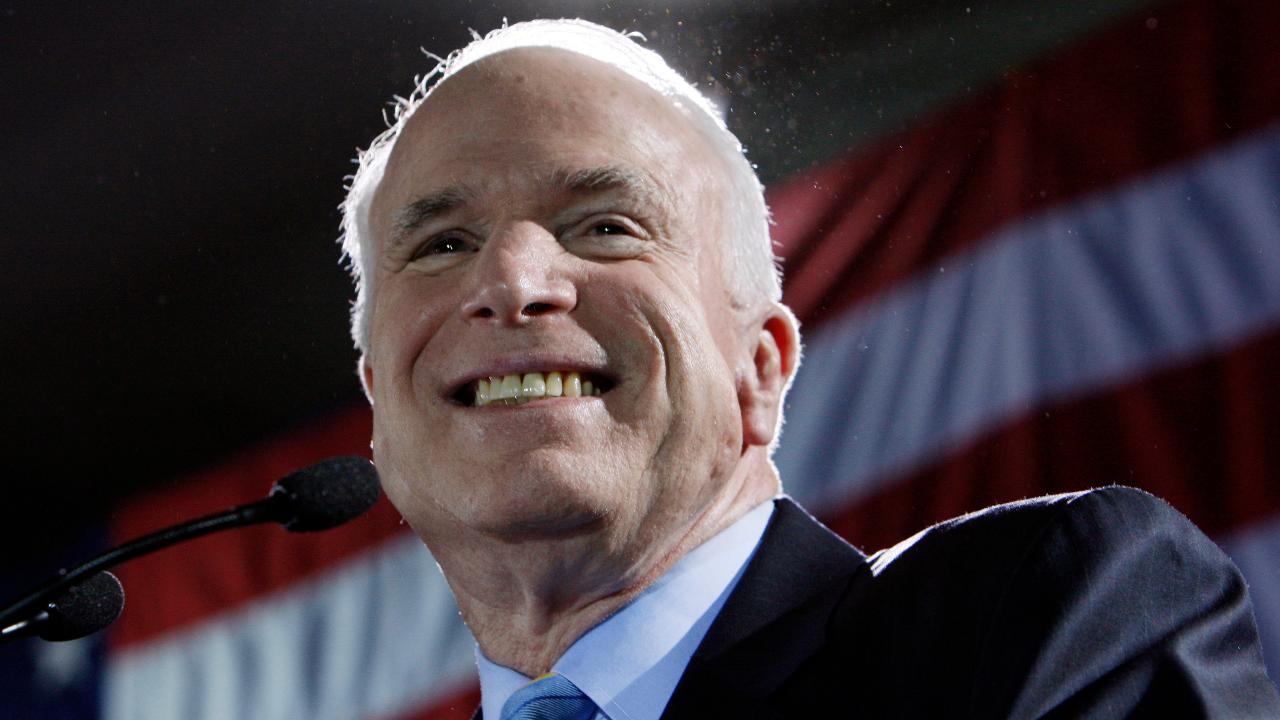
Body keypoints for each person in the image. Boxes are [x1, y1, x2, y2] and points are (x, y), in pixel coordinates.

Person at [339, 19, 1279, 719]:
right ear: (381, 405)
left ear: (760, 371)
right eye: (442, 243)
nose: (511, 283)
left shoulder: (1040, 618)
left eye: (605, 227)